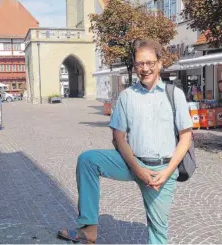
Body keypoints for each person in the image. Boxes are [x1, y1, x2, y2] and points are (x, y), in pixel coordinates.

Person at [58, 39, 193, 244]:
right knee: (88, 160)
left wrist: (167, 173)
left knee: (158, 234)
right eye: (140, 63)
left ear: (159, 63)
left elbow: (186, 138)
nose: (145, 68)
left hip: (161, 170)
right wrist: (137, 169)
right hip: (131, 163)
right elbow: (118, 138)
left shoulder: (174, 95)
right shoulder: (127, 96)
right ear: (134, 65)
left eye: (149, 63)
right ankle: (89, 229)